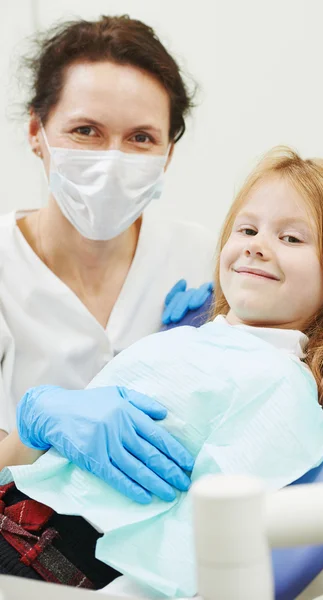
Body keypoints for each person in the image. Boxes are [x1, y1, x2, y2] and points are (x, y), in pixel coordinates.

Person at [0, 146, 323, 594]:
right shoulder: (188, 339)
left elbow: (199, 541)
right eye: (247, 229)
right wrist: (34, 425)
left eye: (291, 238)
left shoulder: (280, 386)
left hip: (46, 562)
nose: (256, 245)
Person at [0, 15, 215, 502]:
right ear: (37, 131)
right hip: (25, 562)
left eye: (141, 138)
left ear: (168, 153)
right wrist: (34, 430)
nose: (113, 159)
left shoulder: (201, 257)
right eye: (86, 130)